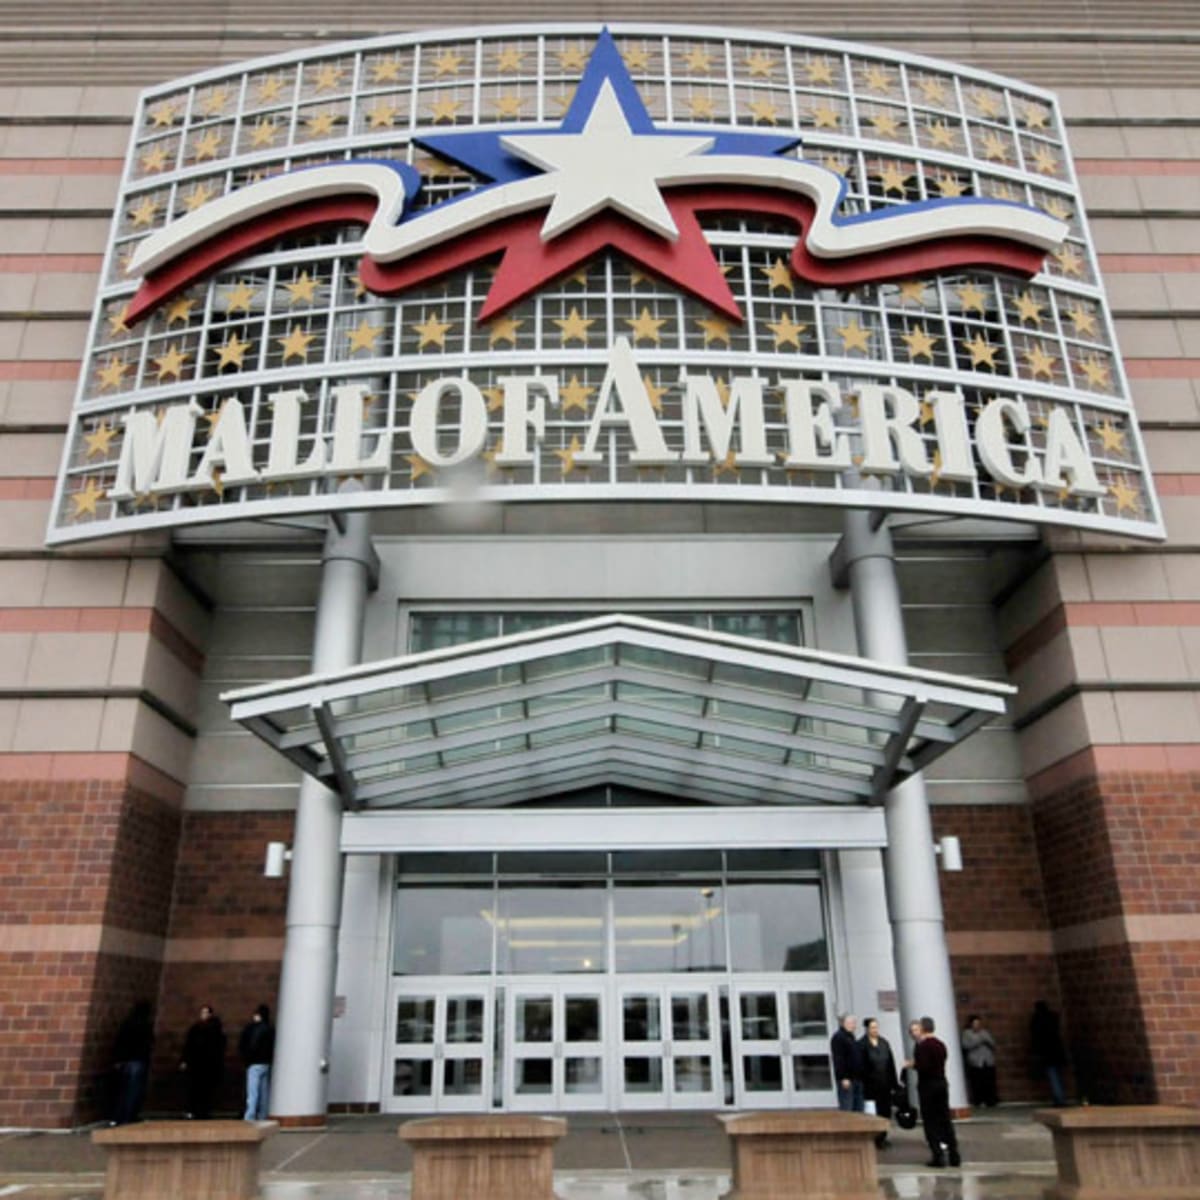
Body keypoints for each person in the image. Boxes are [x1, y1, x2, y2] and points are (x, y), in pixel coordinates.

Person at [909, 1015, 961, 1168]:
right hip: (941, 1083)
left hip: (928, 1086)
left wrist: (913, 1065)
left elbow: (924, 1067)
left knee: (930, 1121)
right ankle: (954, 1154)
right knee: (945, 1119)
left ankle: (938, 1155)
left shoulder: (923, 1046)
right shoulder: (941, 1045)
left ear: (923, 1029)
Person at [111, 1000, 154, 1126]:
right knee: (134, 1090)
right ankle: (129, 1116)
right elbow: (149, 1043)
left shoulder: (127, 1024)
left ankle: (118, 1116)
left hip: (126, 1061)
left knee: (123, 1090)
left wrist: (118, 1060)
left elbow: (120, 1042)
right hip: (138, 1060)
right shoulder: (145, 1025)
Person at [179, 1004, 226, 1119]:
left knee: (202, 1089)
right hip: (199, 1064)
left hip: (204, 1065)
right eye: (202, 1012)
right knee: (197, 1089)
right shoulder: (198, 1028)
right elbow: (188, 1046)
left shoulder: (208, 1029)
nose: (203, 1015)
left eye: (205, 1013)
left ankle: (199, 1111)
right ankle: (197, 1110)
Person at [859, 1017, 899, 1146]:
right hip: (870, 1085)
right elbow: (861, 1066)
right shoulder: (862, 1044)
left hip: (885, 1084)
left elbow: (890, 1064)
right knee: (872, 1112)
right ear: (866, 1029)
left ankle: (883, 1136)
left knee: (885, 1111)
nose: (875, 1030)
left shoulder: (884, 1043)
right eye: (872, 1027)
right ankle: (873, 1137)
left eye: (876, 1027)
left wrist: (894, 1083)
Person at [239, 1004, 274, 1120]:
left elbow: (251, 1045)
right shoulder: (270, 1028)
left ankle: (250, 1115)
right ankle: (263, 1114)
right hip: (266, 1063)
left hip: (254, 1063)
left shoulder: (254, 1029)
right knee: (264, 1092)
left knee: (252, 1091)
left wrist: (247, 1059)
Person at [1030, 999, 1068, 1106]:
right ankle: (1061, 1097)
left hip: (1046, 1052)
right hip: (1057, 1050)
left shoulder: (1037, 1020)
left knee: (1053, 1075)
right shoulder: (1053, 1017)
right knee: (1058, 1075)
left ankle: (1059, 1098)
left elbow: (1035, 1037)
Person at [830, 1013, 865, 1112]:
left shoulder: (851, 1037)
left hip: (857, 1078)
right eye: (851, 1023)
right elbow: (839, 1059)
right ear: (843, 1023)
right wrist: (843, 1077)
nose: (854, 1025)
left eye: (854, 1023)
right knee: (847, 1106)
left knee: (858, 1107)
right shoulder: (838, 1038)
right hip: (847, 1079)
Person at [961, 1013, 998, 1107]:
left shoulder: (985, 1032)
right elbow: (966, 1045)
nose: (977, 1026)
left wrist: (987, 1040)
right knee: (977, 1083)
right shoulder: (967, 1033)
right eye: (975, 1023)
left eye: (978, 1023)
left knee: (989, 1082)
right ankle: (978, 1101)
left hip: (988, 1061)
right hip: (975, 1062)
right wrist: (979, 1041)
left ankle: (991, 1100)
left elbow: (993, 1044)